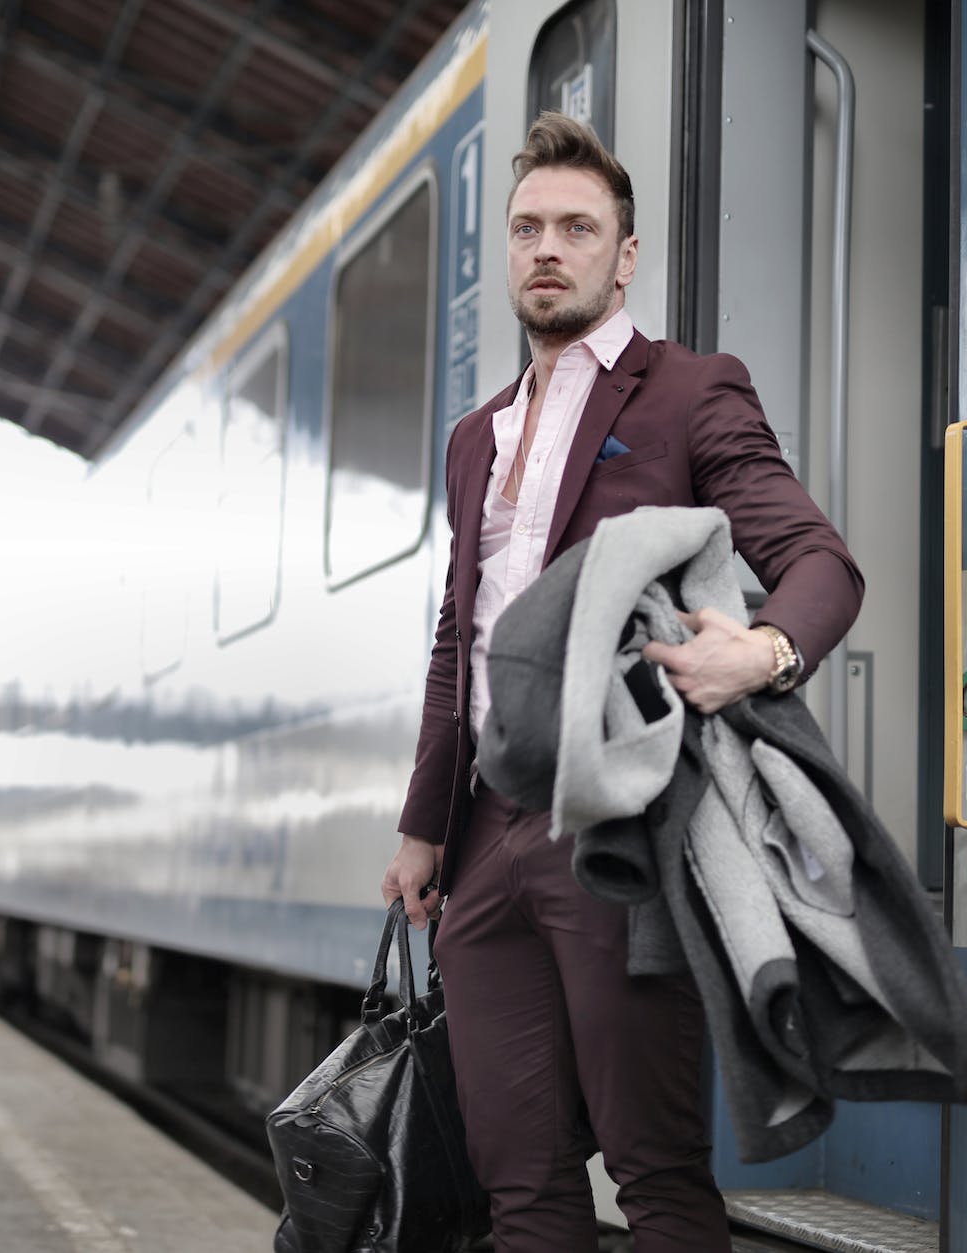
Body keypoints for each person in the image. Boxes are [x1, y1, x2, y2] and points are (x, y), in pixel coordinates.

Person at [381, 113, 863, 1250]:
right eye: (527, 228)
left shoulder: (688, 392)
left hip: (620, 829)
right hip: (486, 836)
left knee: (653, 1169)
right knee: (519, 1182)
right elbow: (460, 638)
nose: (548, 248)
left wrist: (763, 648)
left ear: (624, 254)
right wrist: (420, 826)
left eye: (577, 229)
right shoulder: (473, 437)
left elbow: (817, 561)